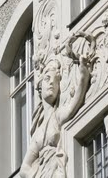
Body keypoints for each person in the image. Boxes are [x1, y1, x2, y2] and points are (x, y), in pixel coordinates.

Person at [19, 36, 94, 178]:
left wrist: (84, 76)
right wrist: (39, 175)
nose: (52, 83)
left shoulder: (57, 116)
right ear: (40, 86)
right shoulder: (38, 132)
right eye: (47, 79)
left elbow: (74, 104)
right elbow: (24, 168)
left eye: (55, 80)